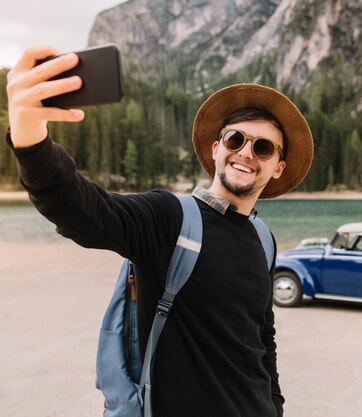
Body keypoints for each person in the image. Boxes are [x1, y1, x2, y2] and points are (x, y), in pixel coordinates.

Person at [5, 46, 314, 417]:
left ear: (277, 167)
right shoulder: (169, 217)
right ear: (217, 149)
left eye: (263, 147)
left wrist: (275, 407)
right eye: (235, 139)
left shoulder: (263, 238)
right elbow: (79, 208)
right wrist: (29, 135)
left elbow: (263, 338)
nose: (246, 152)